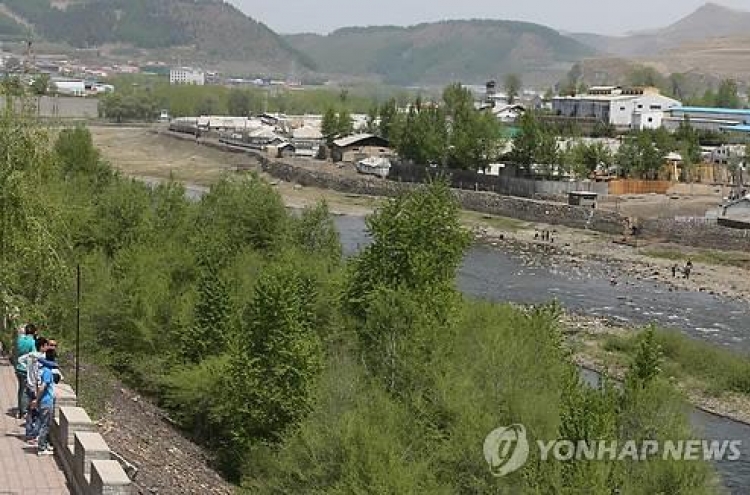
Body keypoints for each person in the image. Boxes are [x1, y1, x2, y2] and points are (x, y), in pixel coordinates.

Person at [18, 337, 51, 443]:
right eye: (46, 345)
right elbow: (38, 376)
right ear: (42, 346)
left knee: (30, 412)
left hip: (29, 384)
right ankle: (34, 435)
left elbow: (19, 360)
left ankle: (29, 434)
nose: (48, 347)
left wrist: (27, 368)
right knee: (38, 413)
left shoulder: (31, 355)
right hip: (35, 388)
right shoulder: (41, 358)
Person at [33, 349, 57, 456]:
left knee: (45, 423)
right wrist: (36, 399)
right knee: (45, 425)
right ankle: (41, 448)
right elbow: (43, 387)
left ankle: (44, 444)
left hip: (44, 401)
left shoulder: (44, 369)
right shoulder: (47, 371)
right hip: (46, 401)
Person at [14, 324, 37, 419]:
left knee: (20, 389)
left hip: (18, 367)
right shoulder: (32, 342)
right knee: (25, 391)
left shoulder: (19, 340)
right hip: (26, 368)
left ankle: (19, 409)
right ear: (34, 332)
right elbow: (34, 355)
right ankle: (24, 411)